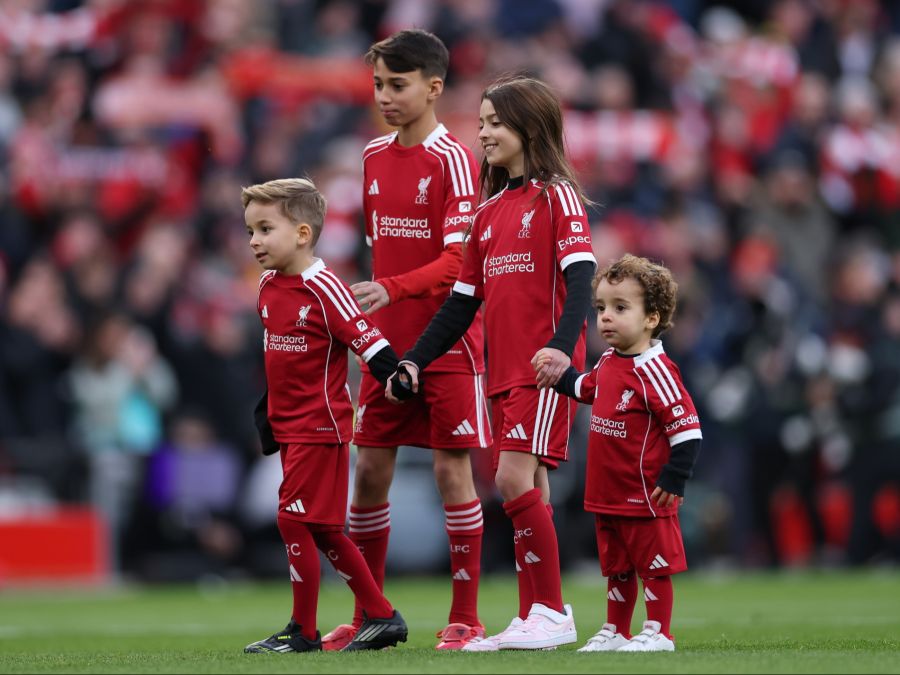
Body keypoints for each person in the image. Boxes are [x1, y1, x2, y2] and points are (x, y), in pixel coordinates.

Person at [387, 75, 597, 651]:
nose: (483, 133)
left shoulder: (556, 196)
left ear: (529, 126)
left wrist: (560, 347)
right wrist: (414, 363)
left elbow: (581, 278)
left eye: (494, 122)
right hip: (502, 372)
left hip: (544, 367)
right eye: (479, 123)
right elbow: (460, 306)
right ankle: (536, 614)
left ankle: (551, 610)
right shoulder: (486, 214)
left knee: (509, 477)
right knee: (530, 484)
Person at [322, 29, 492, 652]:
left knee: (452, 473)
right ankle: (372, 610)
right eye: (378, 86)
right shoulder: (370, 156)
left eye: (398, 85)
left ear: (433, 88)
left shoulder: (454, 159)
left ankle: (466, 617)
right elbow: (383, 244)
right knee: (367, 473)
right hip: (385, 347)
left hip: (447, 343)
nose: (385, 97)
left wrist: (389, 290)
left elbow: (457, 263)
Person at [241, 177, 408, 654]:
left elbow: (368, 341)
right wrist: (267, 414)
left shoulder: (325, 287)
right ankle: (380, 615)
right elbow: (277, 358)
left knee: (292, 521)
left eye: (265, 228)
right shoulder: (268, 286)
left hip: (322, 425)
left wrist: (398, 377)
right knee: (323, 528)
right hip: (291, 428)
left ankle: (303, 631)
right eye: (250, 230)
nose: (254, 240)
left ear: (302, 233)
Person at [543, 253, 702, 652]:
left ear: (652, 318)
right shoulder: (611, 361)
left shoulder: (656, 369)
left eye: (619, 308)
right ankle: (616, 629)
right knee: (617, 568)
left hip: (645, 492)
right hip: (607, 491)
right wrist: (558, 376)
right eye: (600, 309)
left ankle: (659, 632)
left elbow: (687, 429)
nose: (606, 318)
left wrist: (673, 477)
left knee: (653, 566)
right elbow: (586, 389)